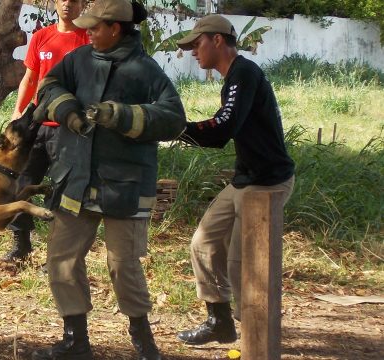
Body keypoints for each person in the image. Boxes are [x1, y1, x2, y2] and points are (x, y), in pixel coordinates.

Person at [31, 0, 186, 358]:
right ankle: (76, 342)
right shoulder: (79, 59)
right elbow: (48, 85)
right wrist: (67, 109)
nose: (88, 32)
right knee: (62, 257)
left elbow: (174, 118)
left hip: (125, 185)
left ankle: (144, 344)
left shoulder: (145, 70)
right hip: (75, 179)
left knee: (123, 264)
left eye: (95, 28)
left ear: (115, 29)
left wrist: (121, 115)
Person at [173, 14, 295, 346]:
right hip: (246, 181)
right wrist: (182, 129)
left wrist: (178, 127)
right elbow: (222, 129)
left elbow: (222, 129)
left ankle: (256, 336)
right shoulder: (234, 77)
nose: (193, 52)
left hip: (267, 184)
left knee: (244, 264)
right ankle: (220, 322)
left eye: (197, 44)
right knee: (204, 242)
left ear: (217, 40)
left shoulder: (243, 72)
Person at [3, 0, 91, 262]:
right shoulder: (42, 36)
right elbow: (29, 78)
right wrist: (18, 111)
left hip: (69, 127)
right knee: (22, 182)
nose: (67, 4)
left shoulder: (88, 39)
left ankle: (58, 253)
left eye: (74, 0)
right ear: (55, 2)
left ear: (82, 4)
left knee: (63, 188)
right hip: (37, 126)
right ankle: (21, 245)